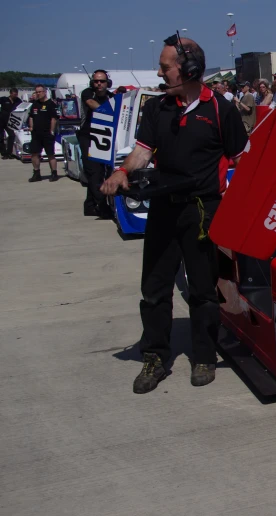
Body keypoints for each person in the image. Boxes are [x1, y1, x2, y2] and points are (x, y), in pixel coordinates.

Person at [100, 34, 248, 394]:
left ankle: (203, 356)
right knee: (154, 288)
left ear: (190, 69)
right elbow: (142, 152)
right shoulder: (156, 109)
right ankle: (154, 357)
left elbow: (244, 161)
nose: (161, 72)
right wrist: (123, 171)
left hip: (202, 212)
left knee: (202, 290)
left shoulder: (220, 109)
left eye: (166, 67)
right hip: (163, 210)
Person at [78, 70, 114, 216]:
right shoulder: (87, 93)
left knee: (101, 171)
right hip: (88, 136)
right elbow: (93, 105)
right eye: (96, 81)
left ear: (107, 83)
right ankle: (101, 205)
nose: (99, 84)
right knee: (94, 172)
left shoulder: (111, 97)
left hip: (104, 136)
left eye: (102, 81)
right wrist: (111, 112)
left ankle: (90, 206)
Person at [27, 85, 59, 182]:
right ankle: (36, 173)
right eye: (36, 92)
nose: (38, 93)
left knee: (50, 154)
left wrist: (52, 131)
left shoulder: (51, 104)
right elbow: (31, 116)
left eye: (40, 92)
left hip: (47, 133)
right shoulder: (35, 104)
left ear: (44, 92)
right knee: (34, 154)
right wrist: (31, 127)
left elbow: (54, 118)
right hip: (36, 134)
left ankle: (54, 173)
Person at [0, 88, 22, 159]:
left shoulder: (18, 101)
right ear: (11, 93)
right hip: (1, 120)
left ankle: (9, 152)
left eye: (16, 94)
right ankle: (3, 153)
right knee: (1, 137)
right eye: (14, 94)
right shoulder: (4, 99)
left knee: (12, 135)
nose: (15, 95)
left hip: (10, 121)